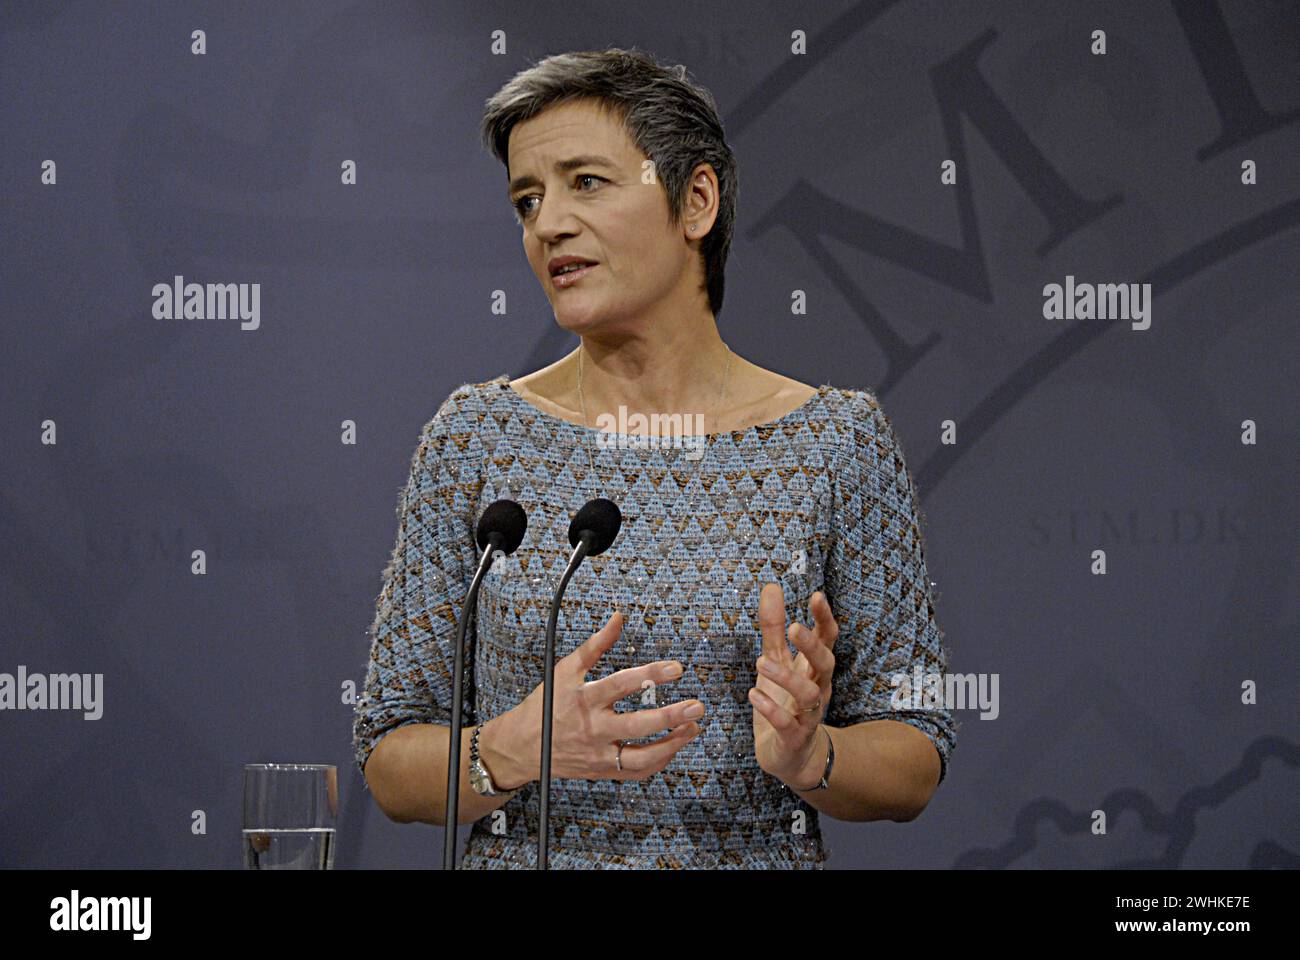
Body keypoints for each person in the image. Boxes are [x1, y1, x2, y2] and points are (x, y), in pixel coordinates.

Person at [353, 47, 956, 869]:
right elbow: (391, 757)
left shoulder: (837, 440)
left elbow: (915, 752)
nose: (548, 223)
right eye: (527, 200)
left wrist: (810, 756)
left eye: (586, 183)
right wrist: (510, 748)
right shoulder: (474, 437)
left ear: (695, 200)